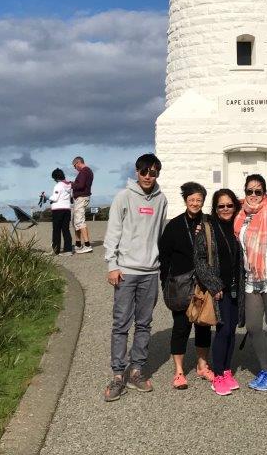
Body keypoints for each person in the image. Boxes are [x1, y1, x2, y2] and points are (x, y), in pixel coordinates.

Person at [103, 153, 167, 402]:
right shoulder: (124, 197)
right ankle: (118, 374)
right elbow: (113, 232)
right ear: (137, 172)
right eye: (145, 172)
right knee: (121, 324)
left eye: (153, 173)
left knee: (144, 324)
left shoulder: (162, 199)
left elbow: (161, 232)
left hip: (150, 272)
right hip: (126, 271)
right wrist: (112, 264)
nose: (149, 177)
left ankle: (137, 370)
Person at [159, 182, 216, 389]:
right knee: (181, 327)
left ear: (203, 201)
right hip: (181, 282)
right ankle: (179, 371)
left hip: (203, 283)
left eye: (198, 200)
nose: (195, 203)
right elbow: (164, 256)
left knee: (203, 325)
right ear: (185, 201)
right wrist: (166, 280)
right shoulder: (174, 225)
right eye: (191, 199)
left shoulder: (209, 223)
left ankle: (202, 365)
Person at [234, 173, 267, 392]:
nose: (253, 195)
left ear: (264, 193)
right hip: (250, 277)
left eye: (258, 191)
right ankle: (266, 369)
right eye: (249, 191)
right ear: (244, 191)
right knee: (254, 326)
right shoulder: (241, 216)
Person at [206, 188, 245, 396]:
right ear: (215, 208)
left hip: (235, 288)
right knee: (222, 330)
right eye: (221, 206)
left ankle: (228, 370)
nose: (226, 209)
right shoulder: (208, 228)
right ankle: (218, 375)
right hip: (219, 290)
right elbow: (200, 259)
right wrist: (214, 284)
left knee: (231, 330)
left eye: (230, 205)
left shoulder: (239, 226)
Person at [71, 155, 94, 253]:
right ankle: (78, 244)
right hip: (80, 198)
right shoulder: (87, 171)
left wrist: (70, 184)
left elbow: (80, 185)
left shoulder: (84, 171)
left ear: (78, 163)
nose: (74, 168)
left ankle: (87, 245)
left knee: (80, 221)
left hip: (81, 198)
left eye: (74, 166)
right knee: (75, 221)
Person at [48, 168, 73, 255]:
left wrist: (46, 196)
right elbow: (71, 197)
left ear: (56, 177)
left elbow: (54, 198)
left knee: (56, 230)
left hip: (58, 210)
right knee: (66, 230)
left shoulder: (58, 185)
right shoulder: (69, 185)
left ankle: (56, 250)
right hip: (67, 209)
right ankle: (68, 250)